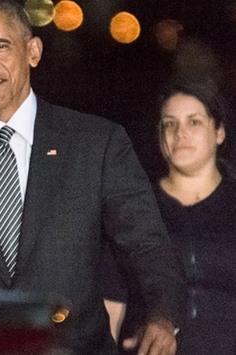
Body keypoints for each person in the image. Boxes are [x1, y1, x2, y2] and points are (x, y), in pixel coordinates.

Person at [0, 1, 185, 353]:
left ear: (33, 51)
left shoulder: (95, 144)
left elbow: (147, 246)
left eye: (0, 46)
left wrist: (161, 317)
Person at [107, 81, 236, 354]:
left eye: (194, 122)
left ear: (219, 131)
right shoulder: (132, 207)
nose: (180, 133)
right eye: (169, 123)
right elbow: (111, 299)